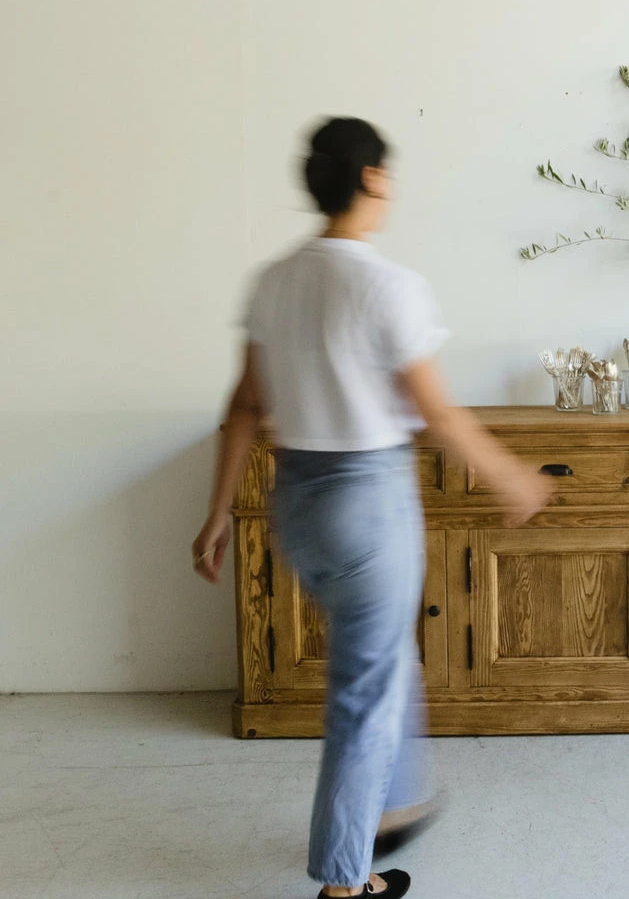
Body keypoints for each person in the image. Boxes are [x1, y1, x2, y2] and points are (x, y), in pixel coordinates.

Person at [191, 117, 552, 898]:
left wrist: (218, 512)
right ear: (372, 179)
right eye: (388, 174)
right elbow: (443, 416)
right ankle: (345, 880)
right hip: (368, 507)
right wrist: (511, 478)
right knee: (366, 691)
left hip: (297, 507)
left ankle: (388, 809)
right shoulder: (388, 286)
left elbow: (244, 406)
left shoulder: (275, 280)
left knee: (383, 665)